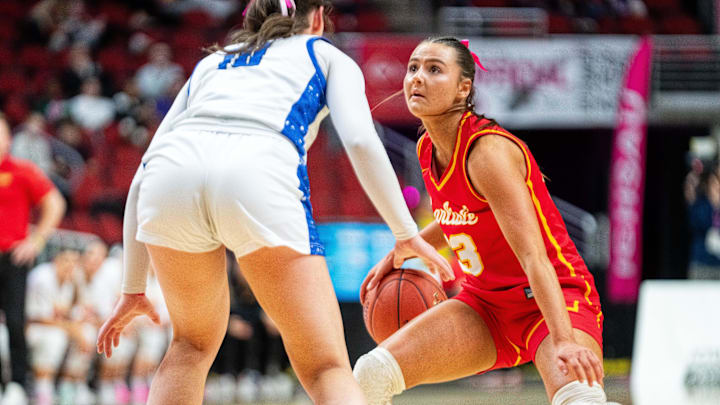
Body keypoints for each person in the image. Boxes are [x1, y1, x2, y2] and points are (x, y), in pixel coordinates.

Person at [95, 1, 452, 405]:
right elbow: (358, 139)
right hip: (256, 169)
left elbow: (143, 173)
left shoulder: (213, 62)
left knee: (190, 348)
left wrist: (133, 287)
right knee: (325, 367)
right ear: (318, 18)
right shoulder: (325, 54)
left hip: (170, 176)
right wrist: (405, 232)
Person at [353, 37, 615, 405]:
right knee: (370, 375)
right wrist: (408, 244)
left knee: (580, 400)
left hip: (553, 300)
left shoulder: (487, 152)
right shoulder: (427, 147)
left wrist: (565, 340)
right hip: (486, 306)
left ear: (464, 88)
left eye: (433, 69)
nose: (417, 78)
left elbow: (534, 258)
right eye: (413, 68)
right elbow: (460, 216)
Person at [0, 112, 66, 405]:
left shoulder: (22, 171)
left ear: (8, 139)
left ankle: (16, 385)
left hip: (13, 258)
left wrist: (36, 241)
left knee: (15, 322)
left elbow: (55, 203)